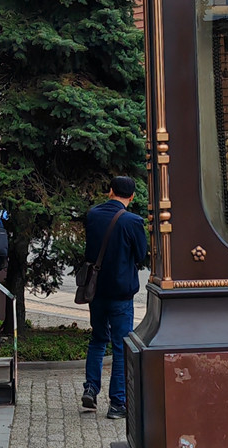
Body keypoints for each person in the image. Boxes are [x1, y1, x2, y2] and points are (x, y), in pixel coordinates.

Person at [82, 176, 149, 420]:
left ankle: (90, 388)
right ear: (131, 197)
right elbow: (141, 254)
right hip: (121, 293)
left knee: (98, 339)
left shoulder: (93, 215)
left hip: (96, 290)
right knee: (121, 346)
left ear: (110, 191)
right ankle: (117, 403)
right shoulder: (132, 222)